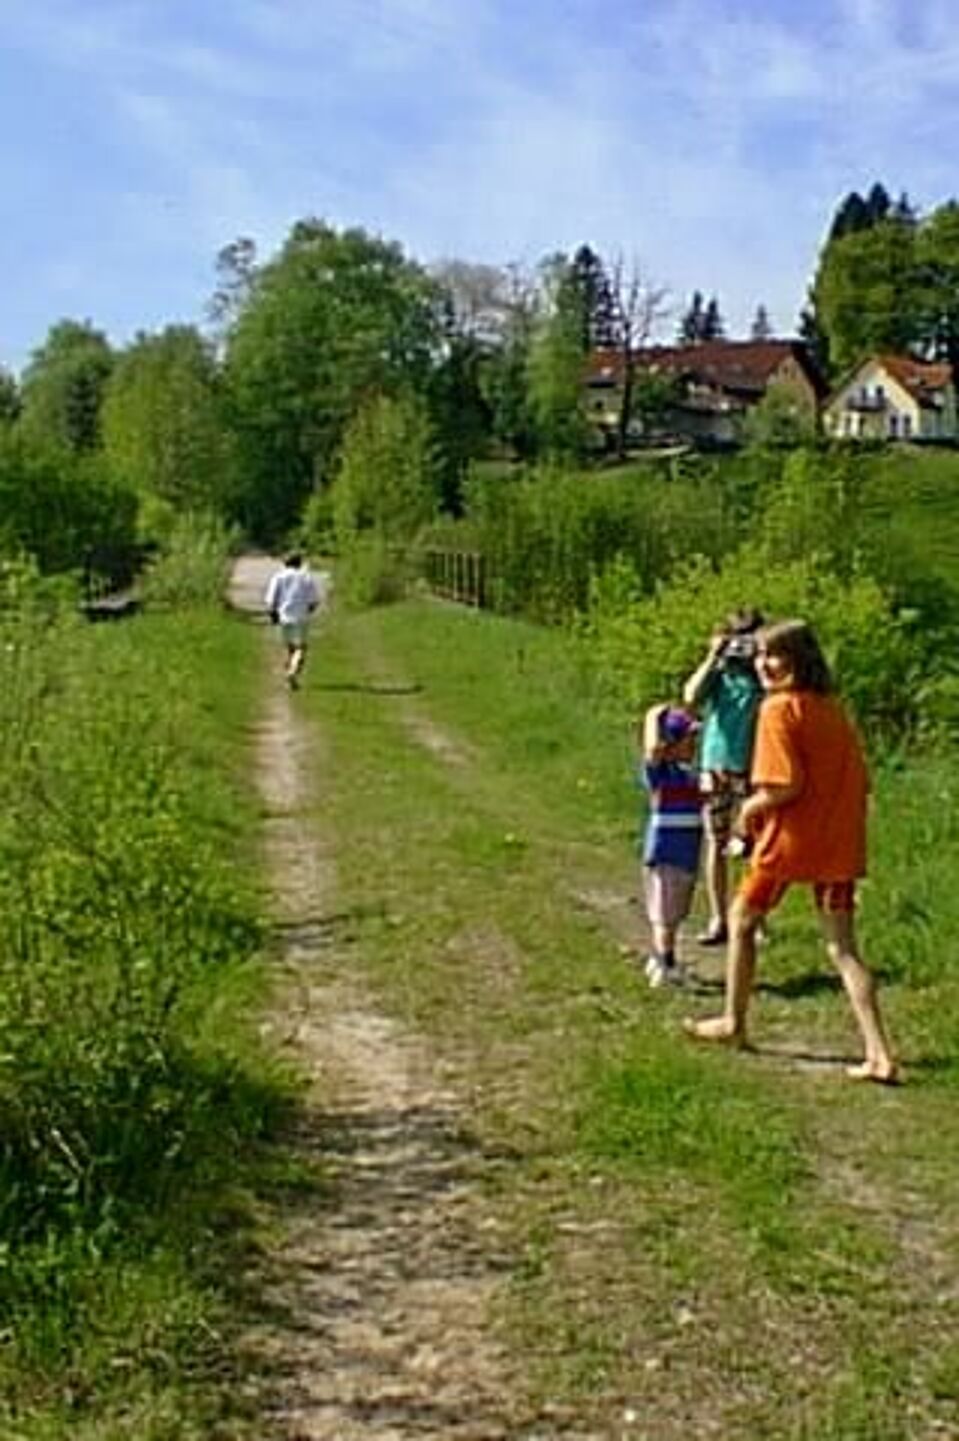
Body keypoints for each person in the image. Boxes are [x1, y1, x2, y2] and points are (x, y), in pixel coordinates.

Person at [684, 619, 899, 1084]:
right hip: (839, 841)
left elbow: (783, 785)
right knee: (843, 947)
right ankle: (880, 1053)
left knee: (741, 918)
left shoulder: (778, 709)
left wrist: (748, 811)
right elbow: (861, 780)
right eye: (759, 656)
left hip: (789, 842)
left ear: (799, 661)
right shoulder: (831, 709)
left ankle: (733, 1023)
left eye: (774, 655)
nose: (764, 664)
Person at [683, 607, 764, 946]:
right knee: (716, 840)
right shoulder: (719, 673)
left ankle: (754, 917)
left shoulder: (764, 676)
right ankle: (719, 917)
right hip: (716, 766)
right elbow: (690, 697)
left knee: (755, 845)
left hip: (755, 766)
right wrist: (713, 655)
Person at [638, 704, 704, 989]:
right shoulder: (661, 774)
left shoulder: (690, 775)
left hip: (686, 855)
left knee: (674, 914)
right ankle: (666, 965)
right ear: (670, 744)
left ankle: (661, 957)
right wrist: (653, 717)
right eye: (688, 739)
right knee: (664, 914)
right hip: (666, 854)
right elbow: (652, 750)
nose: (694, 745)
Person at [264, 553, 320, 690]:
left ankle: (289, 672)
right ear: (299, 563)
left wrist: (273, 614)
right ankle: (292, 672)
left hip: (283, 616)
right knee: (301, 647)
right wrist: (308, 610)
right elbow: (314, 601)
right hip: (301, 616)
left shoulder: (278, 577)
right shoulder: (306, 577)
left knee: (289, 646)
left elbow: (271, 600)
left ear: (285, 563)